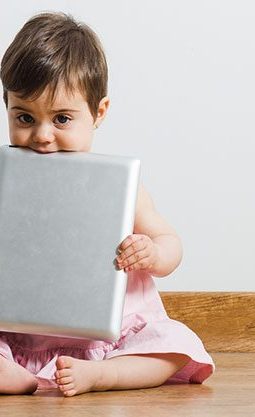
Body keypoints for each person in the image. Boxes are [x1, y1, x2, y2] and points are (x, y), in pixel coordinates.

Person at [0, 11, 214, 396]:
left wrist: (150, 252)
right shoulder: (5, 180)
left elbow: (171, 244)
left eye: (62, 118)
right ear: (7, 107)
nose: (42, 135)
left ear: (98, 113)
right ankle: (14, 374)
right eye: (25, 117)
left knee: (174, 347)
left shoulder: (123, 189)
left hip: (109, 341)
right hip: (17, 336)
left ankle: (101, 375)